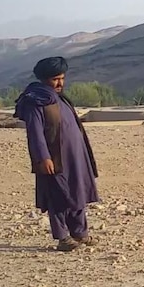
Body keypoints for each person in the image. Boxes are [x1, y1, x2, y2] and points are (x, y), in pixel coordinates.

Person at [13, 57, 100, 251]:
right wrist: (43, 157)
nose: (60, 83)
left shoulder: (59, 98)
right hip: (55, 157)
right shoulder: (35, 101)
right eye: (55, 79)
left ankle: (80, 233)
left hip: (75, 156)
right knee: (58, 195)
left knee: (78, 191)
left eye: (62, 78)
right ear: (44, 79)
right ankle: (63, 238)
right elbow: (35, 133)